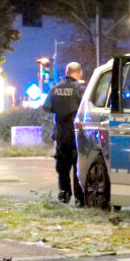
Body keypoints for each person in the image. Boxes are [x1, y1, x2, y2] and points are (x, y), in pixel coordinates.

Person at [42, 61, 85, 205]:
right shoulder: (81, 88)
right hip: (77, 135)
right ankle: (80, 198)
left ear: (66, 72)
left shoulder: (55, 89)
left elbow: (47, 107)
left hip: (60, 134)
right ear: (79, 73)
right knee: (78, 167)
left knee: (63, 167)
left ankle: (64, 194)